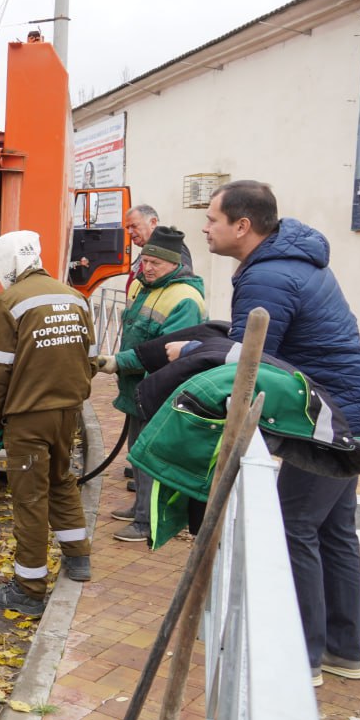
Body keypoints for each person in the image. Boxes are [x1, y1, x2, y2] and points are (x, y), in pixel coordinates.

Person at [191, 180, 360, 686]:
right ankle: (342, 650)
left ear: (242, 226)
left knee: (294, 523)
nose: (205, 227)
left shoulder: (267, 277)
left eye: (212, 219)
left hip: (337, 412)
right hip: (357, 404)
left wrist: (188, 358)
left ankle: (302, 656)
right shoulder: (288, 260)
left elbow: (249, 363)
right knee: (333, 527)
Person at [0, 230, 97, 616]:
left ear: (12, 262)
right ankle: (78, 557)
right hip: (68, 412)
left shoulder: (9, 302)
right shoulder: (74, 297)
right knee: (62, 480)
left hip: (28, 417)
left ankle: (28, 590)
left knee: (29, 499)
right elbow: (90, 359)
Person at [96, 226, 205, 542]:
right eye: (144, 260)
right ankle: (141, 507)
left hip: (161, 390)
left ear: (175, 263)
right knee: (137, 453)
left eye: (155, 263)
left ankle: (148, 522)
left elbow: (164, 352)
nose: (147, 267)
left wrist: (119, 362)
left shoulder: (184, 299)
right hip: (138, 389)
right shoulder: (143, 286)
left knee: (152, 456)